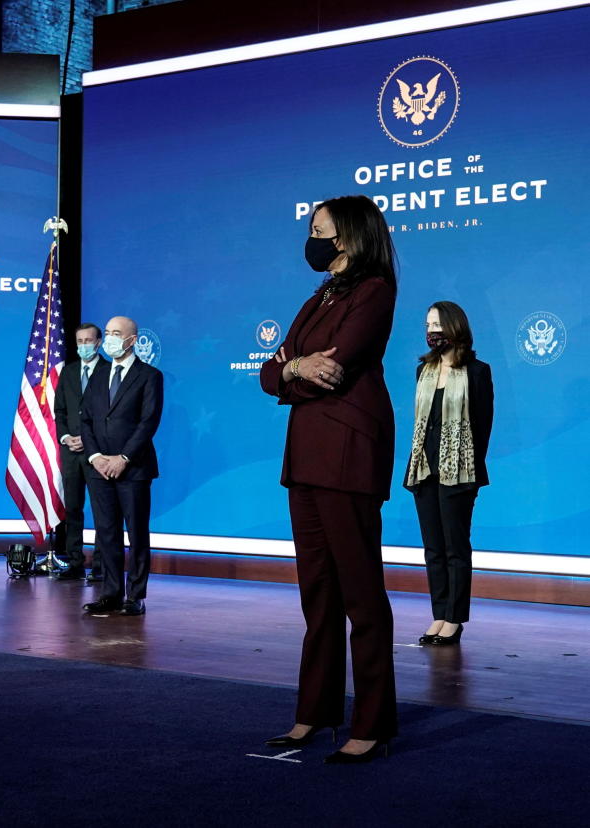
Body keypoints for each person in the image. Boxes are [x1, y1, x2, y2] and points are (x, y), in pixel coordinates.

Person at [259, 195, 398, 764]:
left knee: (360, 595)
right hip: (307, 457)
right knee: (317, 594)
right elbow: (275, 370)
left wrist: (295, 368)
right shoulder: (321, 294)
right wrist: (293, 366)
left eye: (319, 229)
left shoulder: (374, 290)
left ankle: (373, 722)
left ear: (346, 236)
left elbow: (337, 366)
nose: (312, 238)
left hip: (348, 452)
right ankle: (314, 713)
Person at [404, 301, 493, 647]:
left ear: (455, 326)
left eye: (437, 324)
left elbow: (483, 426)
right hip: (424, 469)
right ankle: (438, 614)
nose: (431, 331)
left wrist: (467, 468)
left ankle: (454, 619)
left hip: (459, 472)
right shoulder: (423, 371)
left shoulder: (477, 371)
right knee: (433, 548)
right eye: (428, 324)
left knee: (456, 548)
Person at [79, 316, 163, 617]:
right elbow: (85, 419)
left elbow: (148, 421)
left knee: (137, 532)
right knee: (107, 532)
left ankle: (135, 595)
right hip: (99, 469)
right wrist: (96, 458)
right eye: (109, 332)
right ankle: (110, 594)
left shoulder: (149, 375)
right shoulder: (99, 374)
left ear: (132, 340)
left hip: (134, 469)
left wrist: (123, 458)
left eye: (117, 333)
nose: (111, 338)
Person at [53, 323, 110, 582]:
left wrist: (89, 441)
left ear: (98, 343)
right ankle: (75, 562)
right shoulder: (69, 372)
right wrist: (66, 437)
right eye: (80, 341)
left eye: (88, 340)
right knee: (73, 508)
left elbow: (110, 415)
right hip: (71, 452)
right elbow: (60, 411)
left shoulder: (110, 371)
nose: (83, 345)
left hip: (97, 452)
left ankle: (100, 566)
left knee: (102, 511)